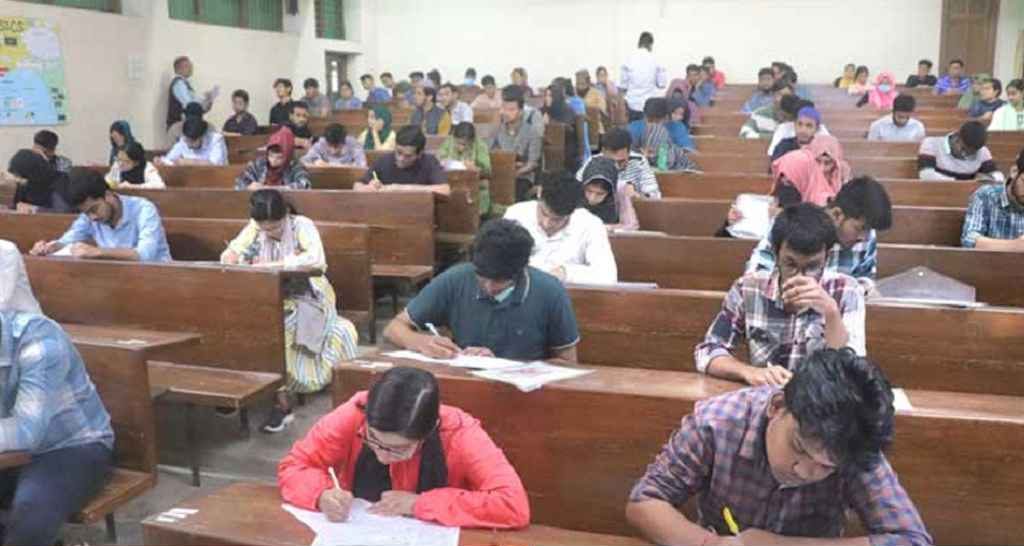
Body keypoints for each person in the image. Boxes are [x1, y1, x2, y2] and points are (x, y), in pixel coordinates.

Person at [627, 348, 932, 545]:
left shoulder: (853, 441)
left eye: (827, 466)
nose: (805, 471)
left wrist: (777, 544)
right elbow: (645, 500)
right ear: (777, 405)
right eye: (798, 447)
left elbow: (911, 539)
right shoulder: (716, 423)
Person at [278, 366, 530, 527]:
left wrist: (419, 504)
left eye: (398, 449)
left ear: (429, 431)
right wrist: (320, 495)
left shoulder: (460, 433)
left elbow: (512, 504)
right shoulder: (355, 414)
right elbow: (295, 465)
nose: (382, 456)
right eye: (372, 440)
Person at [696, 203, 866, 385]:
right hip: (768, 395)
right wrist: (749, 372)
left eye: (812, 266)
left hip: (823, 399)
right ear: (776, 254)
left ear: (827, 257)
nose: (800, 276)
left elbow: (852, 369)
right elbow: (707, 352)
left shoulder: (847, 290)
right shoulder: (748, 288)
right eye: (790, 264)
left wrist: (831, 313)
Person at [384, 218, 580, 361]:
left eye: (498, 281)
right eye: (482, 277)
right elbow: (394, 328)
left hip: (524, 395)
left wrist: (506, 366)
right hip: (465, 384)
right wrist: (419, 342)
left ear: (520, 271)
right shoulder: (456, 278)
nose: (488, 286)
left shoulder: (550, 291)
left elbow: (568, 362)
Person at [0, 311, 116, 546]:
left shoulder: (39, 339)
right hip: (9, 452)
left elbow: (26, 431)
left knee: (30, 518)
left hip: (72, 447)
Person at [747, 177, 892, 293]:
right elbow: (756, 273)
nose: (864, 237)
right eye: (860, 228)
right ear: (837, 214)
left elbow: (866, 276)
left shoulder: (867, 238)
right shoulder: (794, 225)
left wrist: (860, 289)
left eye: (869, 230)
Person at [30, 168, 172, 262]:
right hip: (121, 278)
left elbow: (145, 255)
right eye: (86, 213)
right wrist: (49, 247)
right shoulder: (88, 217)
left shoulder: (144, 209)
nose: (92, 217)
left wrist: (97, 252)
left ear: (108, 195)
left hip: (160, 278)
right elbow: (66, 240)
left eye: (94, 209)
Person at [504, 173, 618, 285]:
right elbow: (500, 261)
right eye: (543, 213)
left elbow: (608, 276)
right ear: (539, 193)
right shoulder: (516, 214)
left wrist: (565, 273)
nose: (547, 223)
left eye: (557, 220)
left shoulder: (590, 224)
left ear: (573, 211)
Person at [357, 126, 448, 195]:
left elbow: (444, 190)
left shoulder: (429, 161)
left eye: (408, 156)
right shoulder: (383, 161)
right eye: (398, 152)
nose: (400, 158)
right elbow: (357, 186)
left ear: (420, 154)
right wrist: (369, 188)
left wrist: (400, 188)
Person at [577, 128, 661, 199]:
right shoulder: (593, 162)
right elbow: (576, 191)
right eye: (611, 161)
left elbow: (654, 195)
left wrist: (637, 196)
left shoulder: (639, 161)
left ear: (629, 152)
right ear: (603, 152)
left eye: (621, 161)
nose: (616, 167)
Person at [492, 85, 543, 201]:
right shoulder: (498, 130)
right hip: (501, 173)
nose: (506, 113)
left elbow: (533, 163)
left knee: (516, 188)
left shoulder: (531, 132)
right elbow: (492, 152)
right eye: (504, 109)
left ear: (520, 112)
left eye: (511, 110)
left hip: (522, 176)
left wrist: (515, 173)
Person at [918, 121, 1005, 181]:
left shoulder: (982, 151)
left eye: (972, 153)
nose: (965, 155)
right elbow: (926, 175)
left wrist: (991, 179)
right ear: (956, 138)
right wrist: (959, 183)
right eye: (963, 149)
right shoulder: (931, 144)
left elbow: (998, 175)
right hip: (937, 193)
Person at [438, 122, 493, 216]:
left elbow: (488, 172)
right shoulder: (449, 141)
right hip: (451, 183)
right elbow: (439, 159)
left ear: (471, 141)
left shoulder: (480, 146)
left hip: (474, 186)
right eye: (457, 143)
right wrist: (443, 163)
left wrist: (475, 169)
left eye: (464, 144)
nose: (460, 147)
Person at [629, 97, 698, 171]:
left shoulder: (677, 127)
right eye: (650, 120)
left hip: (672, 170)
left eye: (657, 121)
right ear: (644, 116)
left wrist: (665, 152)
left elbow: (688, 151)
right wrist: (642, 153)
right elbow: (628, 151)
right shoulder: (634, 127)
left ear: (666, 117)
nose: (653, 125)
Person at [235, 128, 311, 190]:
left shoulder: (295, 166)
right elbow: (240, 181)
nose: (273, 160)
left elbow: (304, 185)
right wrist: (249, 186)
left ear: (287, 156)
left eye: (279, 157)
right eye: (271, 156)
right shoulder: (259, 163)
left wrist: (270, 188)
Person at [579, 155, 638, 232]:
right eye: (589, 191)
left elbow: (631, 225)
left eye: (600, 194)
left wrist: (605, 228)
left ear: (609, 193)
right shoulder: (574, 190)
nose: (592, 198)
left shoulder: (620, 190)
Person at [7, 148, 73, 214]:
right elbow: (16, 206)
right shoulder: (24, 184)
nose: (17, 180)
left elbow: (63, 212)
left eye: (19, 176)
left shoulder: (58, 183)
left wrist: (34, 209)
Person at [620, 32, 667, 121]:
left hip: (632, 103)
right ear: (650, 45)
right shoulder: (656, 60)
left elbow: (623, 86)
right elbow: (662, 84)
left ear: (639, 43)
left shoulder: (628, 59)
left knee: (633, 128)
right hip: (649, 105)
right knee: (648, 129)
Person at [166, 56, 214, 139]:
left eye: (190, 66)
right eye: (187, 66)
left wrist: (207, 101)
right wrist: (204, 103)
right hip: (180, 126)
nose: (191, 68)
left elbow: (195, 107)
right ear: (178, 69)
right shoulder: (179, 84)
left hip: (188, 125)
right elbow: (189, 106)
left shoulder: (185, 84)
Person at [541, 82, 581, 171]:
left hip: (566, 152)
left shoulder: (568, 111)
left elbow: (568, 130)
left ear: (557, 97)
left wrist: (550, 122)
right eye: (546, 95)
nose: (547, 98)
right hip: (547, 149)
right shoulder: (543, 110)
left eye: (550, 96)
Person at [159, 115, 228, 166]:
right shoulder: (184, 140)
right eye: (187, 140)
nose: (189, 145)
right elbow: (170, 158)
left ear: (202, 136)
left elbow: (215, 165)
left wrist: (190, 162)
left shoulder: (216, 140)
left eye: (192, 142)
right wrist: (161, 161)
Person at [576, 69, 608, 134]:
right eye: (577, 84)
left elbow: (602, 111)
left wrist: (589, 109)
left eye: (582, 84)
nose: (579, 87)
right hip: (578, 128)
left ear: (588, 82)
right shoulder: (574, 93)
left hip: (595, 128)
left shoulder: (597, 94)